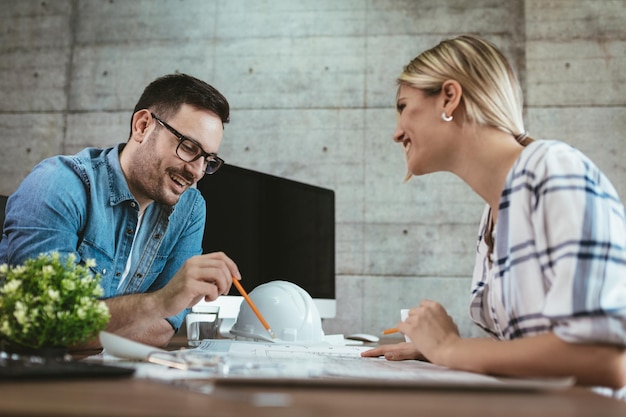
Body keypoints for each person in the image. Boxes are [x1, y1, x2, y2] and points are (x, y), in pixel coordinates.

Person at [361, 35, 626, 392]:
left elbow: (606, 359)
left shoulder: (555, 170)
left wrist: (451, 348)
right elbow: (538, 351)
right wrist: (442, 353)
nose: (396, 133)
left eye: (403, 106)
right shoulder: (493, 213)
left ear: (449, 97)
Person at [0, 73, 241, 348]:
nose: (196, 172)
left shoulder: (190, 207)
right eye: (188, 147)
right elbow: (45, 326)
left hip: (108, 377)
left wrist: (94, 330)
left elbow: (163, 329)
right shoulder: (57, 184)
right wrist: (160, 302)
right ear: (142, 126)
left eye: (207, 160)